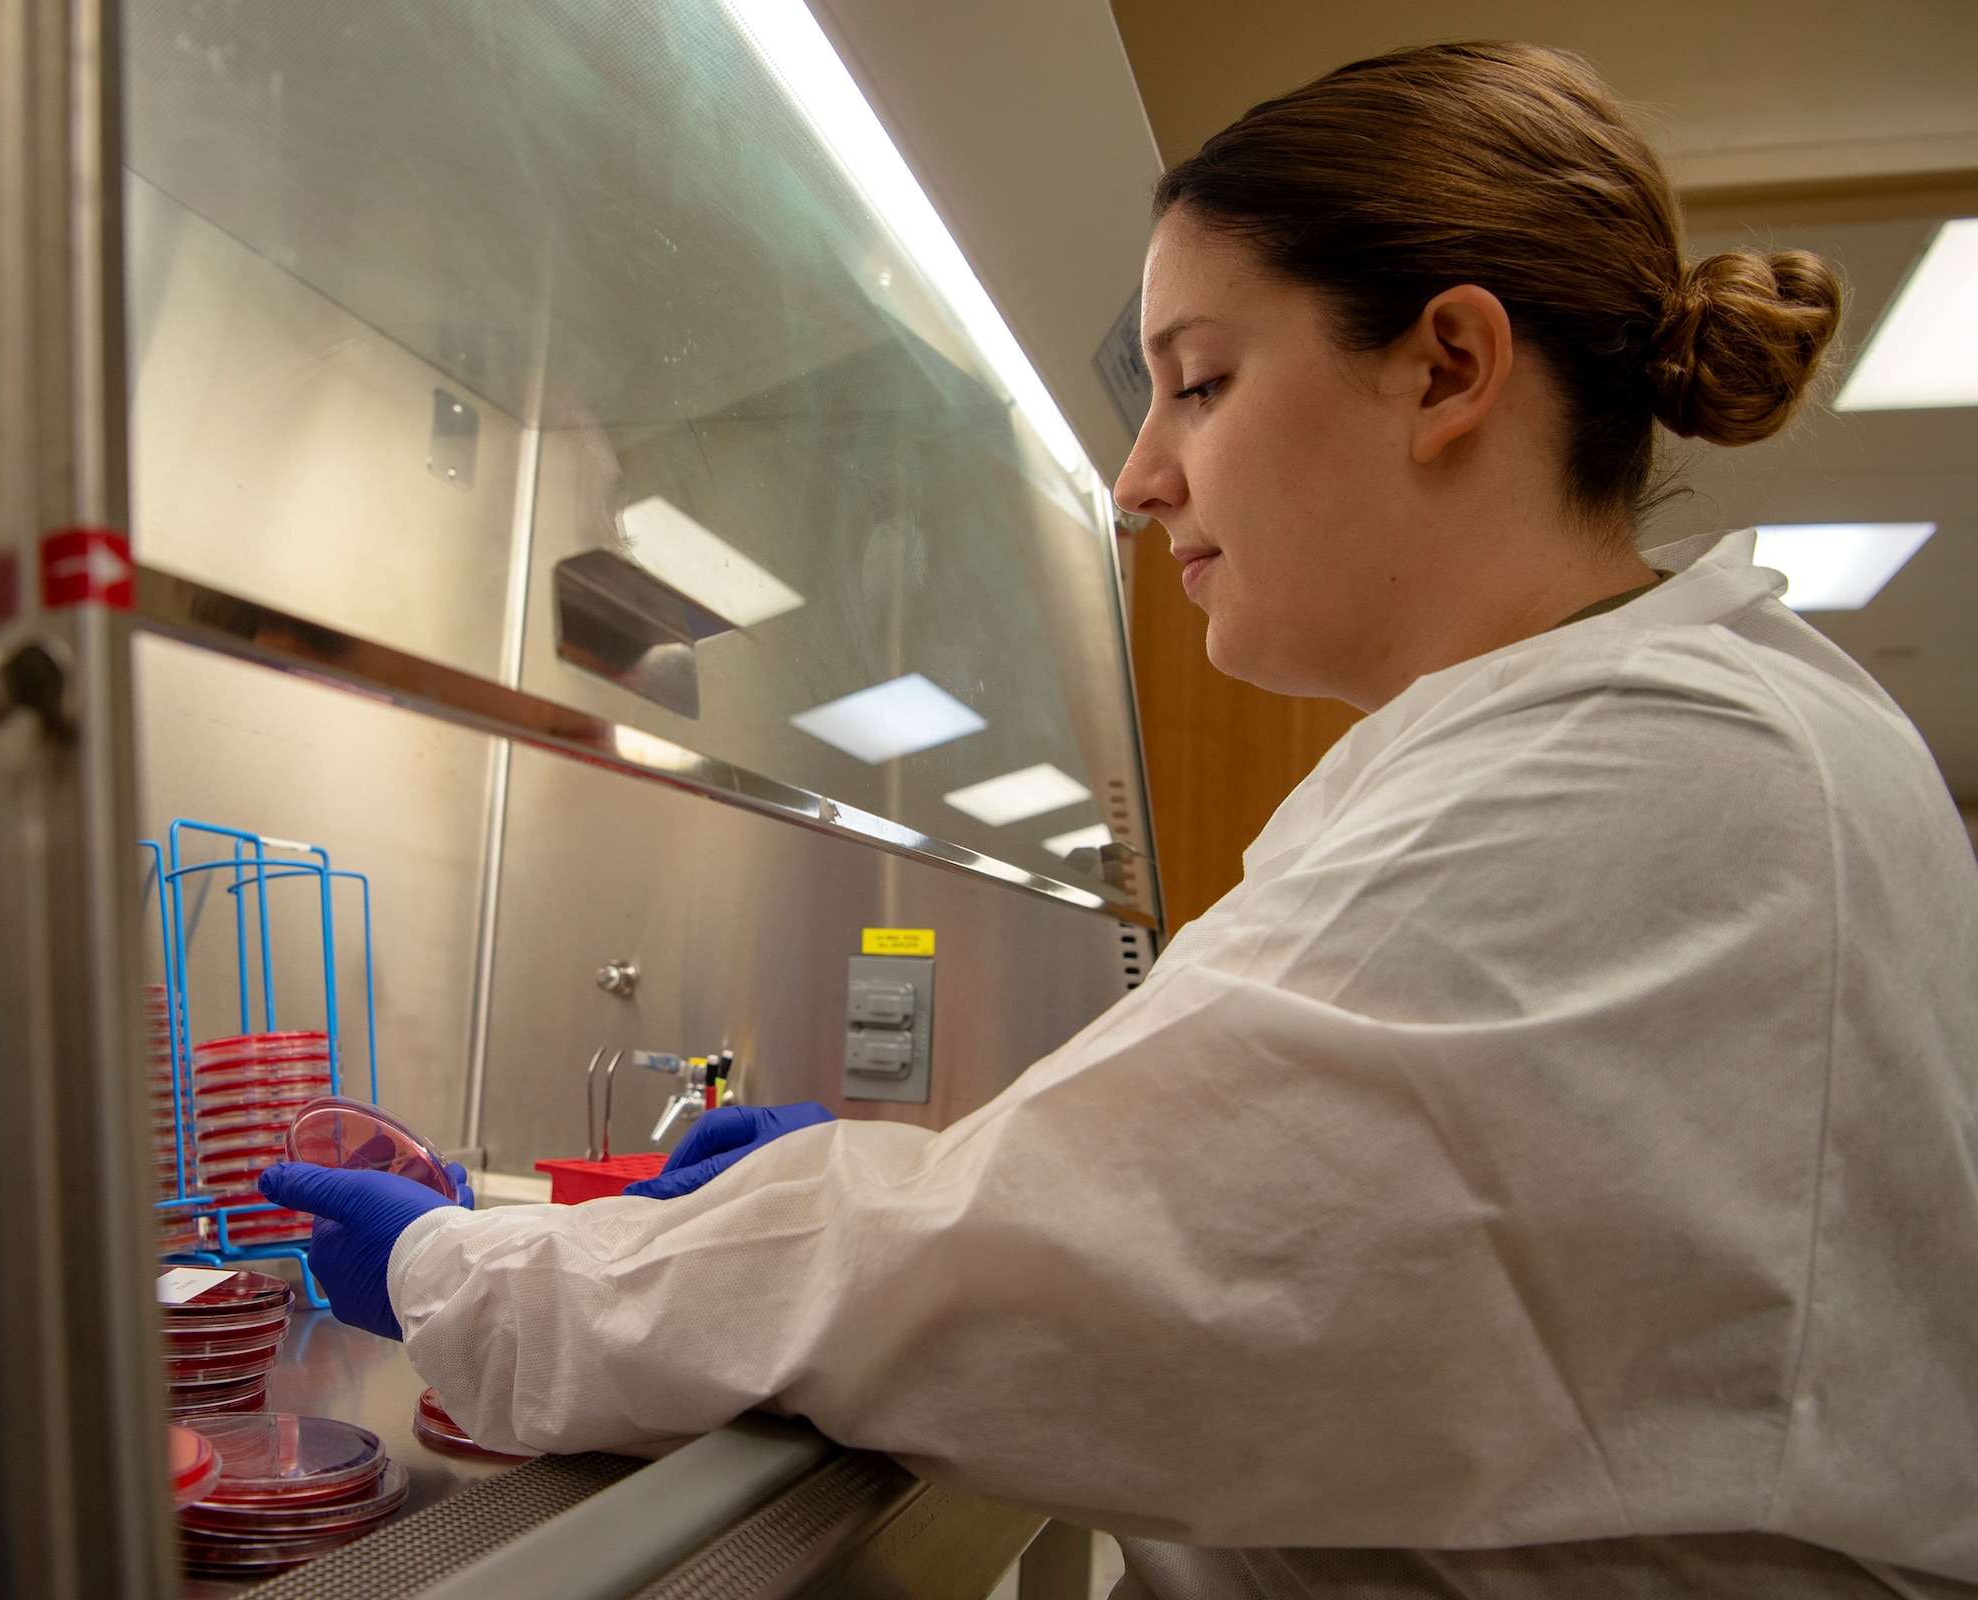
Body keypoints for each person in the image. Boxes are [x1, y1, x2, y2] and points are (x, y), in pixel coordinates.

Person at [260, 42, 1978, 1599]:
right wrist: (866, 1182)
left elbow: (1068, 1278)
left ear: (1448, 366)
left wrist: (469, 1275)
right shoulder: (1610, 735)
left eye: (1201, 380)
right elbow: (1221, 1196)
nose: (1142, 473)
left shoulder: (1642, 774)